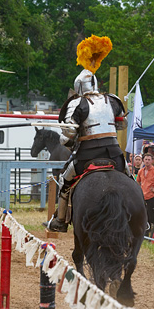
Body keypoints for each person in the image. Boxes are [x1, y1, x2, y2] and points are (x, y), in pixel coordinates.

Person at [46, 68, 128, 232]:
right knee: (129, 176)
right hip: (114, 152)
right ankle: (142, 217)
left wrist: (66, 138)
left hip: (87, 154)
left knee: (64, 181)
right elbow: (122, 124)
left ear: (78, 87)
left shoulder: (77, 103)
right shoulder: (112, 100)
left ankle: (60, 221)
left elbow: (69, 133)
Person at [136, 153, 154, 236]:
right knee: (143, 215)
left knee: (151, 216)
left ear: (152, 161)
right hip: (142, 196)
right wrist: (139, 189)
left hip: (152, 197)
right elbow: (138, 180)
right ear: (143, 160)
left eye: (149, 159)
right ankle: (145, 233)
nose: (147, 161)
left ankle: (152, 234)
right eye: (146, 159)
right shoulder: (141, 171)